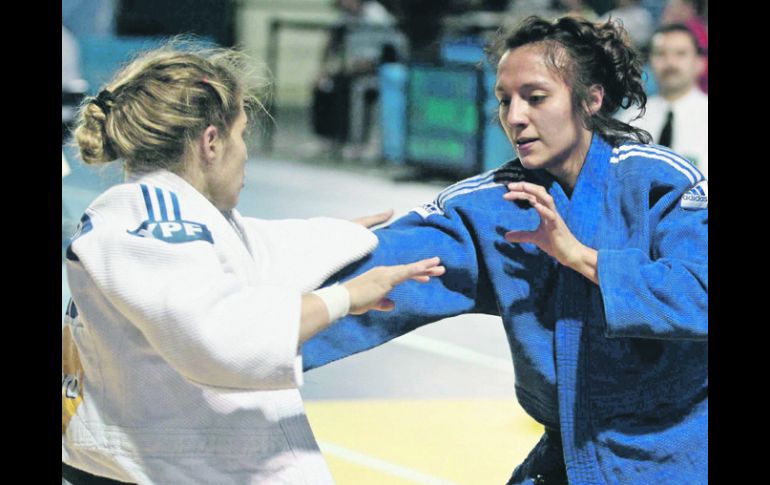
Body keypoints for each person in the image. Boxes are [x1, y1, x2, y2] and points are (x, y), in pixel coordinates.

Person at [302, 15, 707, 484]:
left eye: (536, 98)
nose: (515, 117)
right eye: (504, 101)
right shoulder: (497, 203)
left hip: (679, 449)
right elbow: (396, 263)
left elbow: (700, 289)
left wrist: (579, 255)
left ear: (591, 99)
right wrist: (279, 305)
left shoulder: (660, 183)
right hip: (575, 451)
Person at [61, 41, 444, 484]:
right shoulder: (151, 228)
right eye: (241, 135)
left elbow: (261, 249)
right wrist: (344, 297)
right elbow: (224, 338)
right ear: (210, 142)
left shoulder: (164, 214)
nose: (245, 153)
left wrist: (345, 235)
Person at [619, 23, 708, 178]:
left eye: (680, 54)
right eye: (660, 53)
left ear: (701, 63)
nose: (670, 62)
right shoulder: (630, 120)